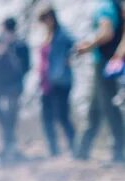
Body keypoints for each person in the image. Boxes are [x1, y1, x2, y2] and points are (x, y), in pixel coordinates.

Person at [75, 0, 124, 163]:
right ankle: (81, 151)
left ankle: (119, 152)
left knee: (109, 107)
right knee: (95, 108)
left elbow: (107, 32)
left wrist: (88, 46)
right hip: (109, 61)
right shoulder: (114, 5)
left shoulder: (106, 6)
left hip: (105, 62)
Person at [0, 17, 31, 163]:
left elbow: (26, 66)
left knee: (11, 115)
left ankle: (9, 144)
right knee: (3, 114)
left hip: (12, 86)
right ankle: (7, 143)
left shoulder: (19, 45)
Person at [37, 5, 77, 158]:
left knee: (62, 115)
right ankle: (53, 150)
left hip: (61, 81)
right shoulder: (46, 36)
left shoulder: (62, 34)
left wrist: (67, 60)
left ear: (51, 18)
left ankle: (75, 147)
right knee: (47, 117)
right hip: (47, 83)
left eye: (45, 20)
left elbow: (76, 46)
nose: (44, 24)